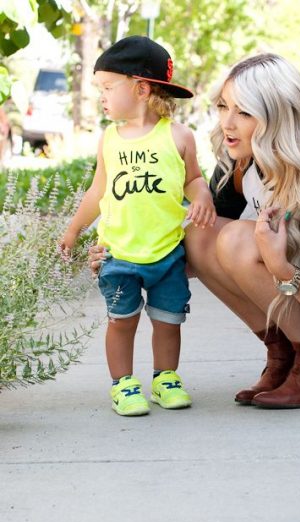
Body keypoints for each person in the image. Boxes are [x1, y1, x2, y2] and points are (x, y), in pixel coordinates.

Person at [90, 53, 300, 409]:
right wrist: (116, 253)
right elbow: (198, 257)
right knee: (198, 234)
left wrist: (279, 266)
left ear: (278, 116)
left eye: (244, 113)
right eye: (224, 106)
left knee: (238, 241)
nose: (228, 123)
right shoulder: (239, 162)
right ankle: (284, 353)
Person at [61, 36, 216, 417]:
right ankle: (124, 384)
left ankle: (165, 379)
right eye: (100, 89)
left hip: (166, 252)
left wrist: (203, 196)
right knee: (121, 322)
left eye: (108, 87)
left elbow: (193, 180)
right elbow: (98, 190)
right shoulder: (109, 139)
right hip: (119, 253)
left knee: (168, 322)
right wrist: (74, 230)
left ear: (142, 88)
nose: (101, 96)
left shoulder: (179, 137)